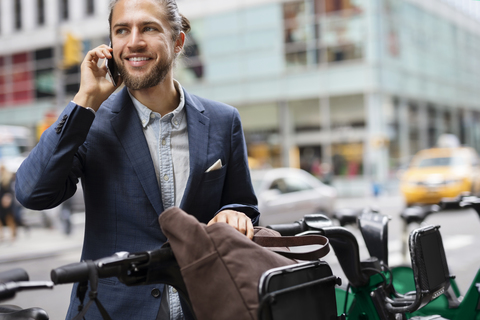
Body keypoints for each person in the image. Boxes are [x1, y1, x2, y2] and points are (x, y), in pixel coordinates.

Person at [15, 0, 259, 319]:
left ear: (178, 41)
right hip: (111, 309)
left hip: (201, 306)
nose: (133, 42)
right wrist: (84, 99)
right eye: (121, 30)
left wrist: (234, 214)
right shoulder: (90, 121)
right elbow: (32, 194)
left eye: (148, 28)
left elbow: (244, 206)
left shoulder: (223, 121)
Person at [0, 165, 17, 242]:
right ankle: (1, 235)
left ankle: (13, 234)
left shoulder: (7, 178)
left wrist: (7, 198)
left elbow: (10, 191)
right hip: (0, 202)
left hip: (6, 202)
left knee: (9, 218)